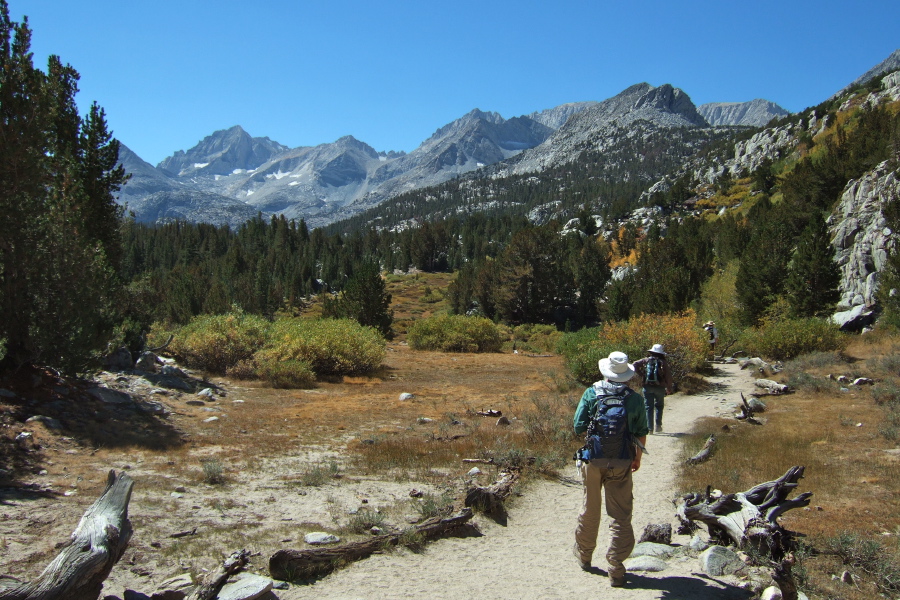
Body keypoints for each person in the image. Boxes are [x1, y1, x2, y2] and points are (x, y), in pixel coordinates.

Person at [573, 351, 649, 588]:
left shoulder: (591, 392)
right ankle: (615, 567)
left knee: (590, 508)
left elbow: (578, 426)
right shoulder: (634, 399)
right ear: (626, 374)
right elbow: (641, 432)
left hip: (593, 459)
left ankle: (585, 556)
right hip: (622, 460)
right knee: (620, 514)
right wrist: (637, 458)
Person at [633, 344, 674, 434]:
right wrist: (669, 387)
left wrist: (641, 374)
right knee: (659, 406)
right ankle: (658, 426)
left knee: (648, 407)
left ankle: (650, 428)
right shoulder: (663, 362)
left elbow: (634, 364)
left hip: (647, 386)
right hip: (660, 387)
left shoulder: (646, 360)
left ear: (651, 352)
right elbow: (668, 376)